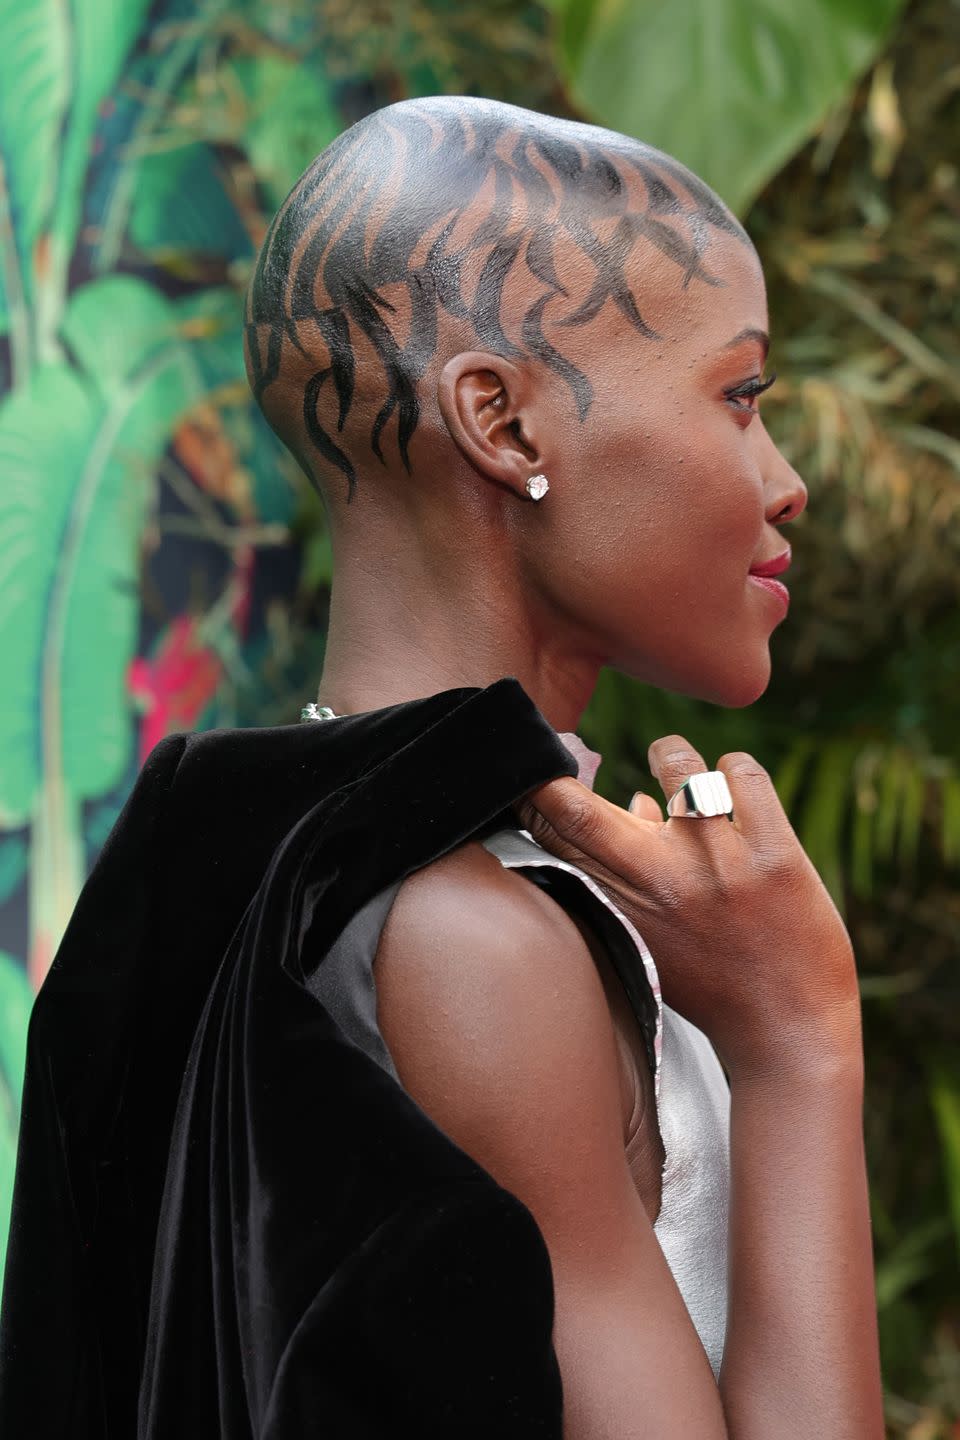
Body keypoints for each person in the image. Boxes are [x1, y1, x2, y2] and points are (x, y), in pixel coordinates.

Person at [0, 96, 883, 1439]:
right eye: (740, 396)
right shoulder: (478, 943)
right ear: (506, 427)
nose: (784, 481)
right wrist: (797, 1039)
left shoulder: (227, 865)